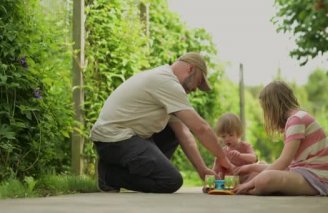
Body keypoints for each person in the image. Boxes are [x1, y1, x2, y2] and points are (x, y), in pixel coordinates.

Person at [90, 52, 234, 193]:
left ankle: (123, 169)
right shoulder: (166, 82)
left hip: (126, 137)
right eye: (199, 81)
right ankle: (110, 175)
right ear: (191, 68)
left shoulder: (167, 83)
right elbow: (201, 128)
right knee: (170, 181)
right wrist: (223, 159)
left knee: (173, 132)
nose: (196, 88)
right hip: (113, 139)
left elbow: (184, 133)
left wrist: (202, 170)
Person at [233, 81, 328, 196]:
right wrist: (249, 167)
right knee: (258, 168)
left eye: (265, 109)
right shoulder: (296, 118)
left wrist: (249, 183)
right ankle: (256, 186)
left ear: (273, 106)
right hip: (303, 172)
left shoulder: (297, 120)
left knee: (264, 179)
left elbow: (284, 161)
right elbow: (287, 165)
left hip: (316, 179)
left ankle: (251, 189)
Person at [212, 113, 257, 180]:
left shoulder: (245, 146)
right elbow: (215, 169)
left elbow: (254, 158)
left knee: (257, 172)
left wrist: (240, 155)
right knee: (218, 168)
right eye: (223, 136)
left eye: (231, 135)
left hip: (246, 177)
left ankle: (248, 185)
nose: (227, 139)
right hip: (230, 180)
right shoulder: (223, 151)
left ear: (238, 134)